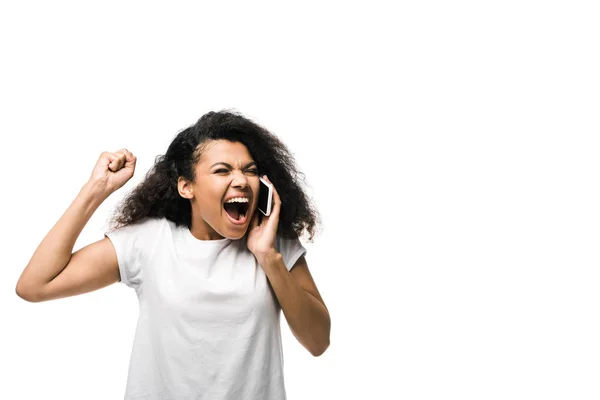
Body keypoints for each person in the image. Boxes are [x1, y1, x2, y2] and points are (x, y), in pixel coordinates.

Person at [15, 110, 331, 399]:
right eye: (222, 171)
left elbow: (318, 342)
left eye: (249, 171)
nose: (241, 181)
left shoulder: (272, 244)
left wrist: (269, 259)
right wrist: (96, 189)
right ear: (186, 187)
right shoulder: (148, 242)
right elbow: (35, 285)